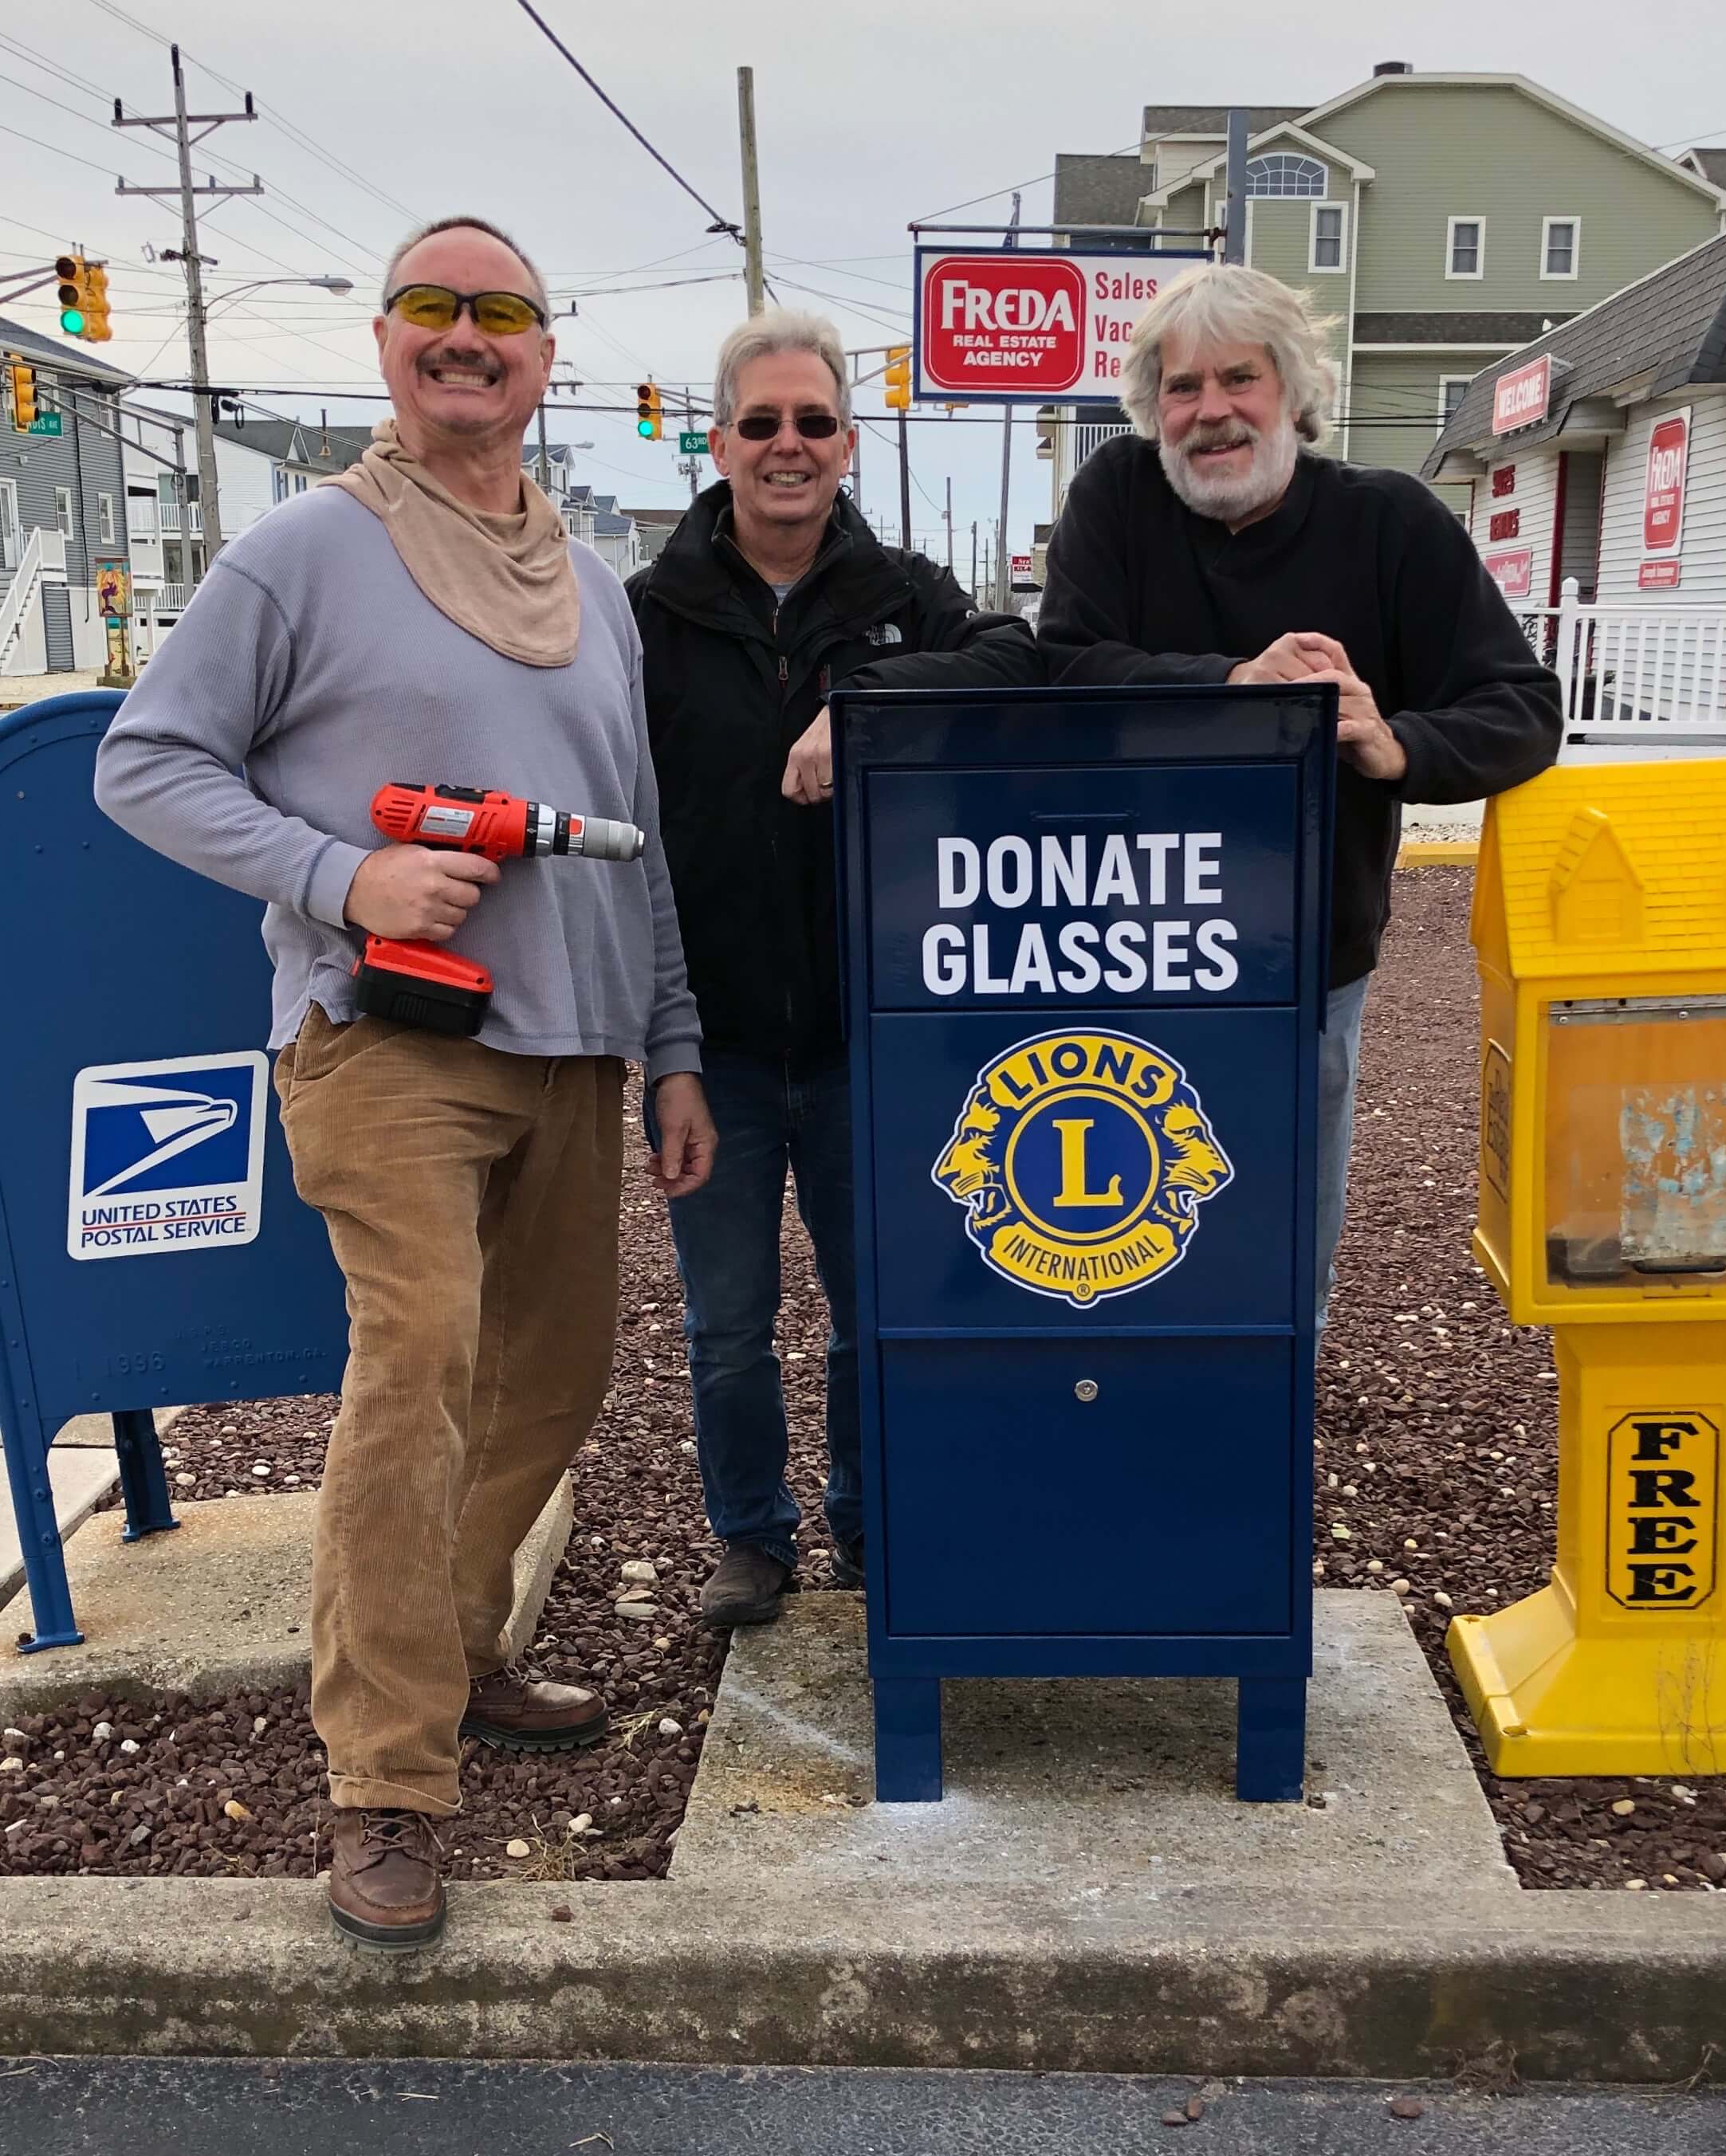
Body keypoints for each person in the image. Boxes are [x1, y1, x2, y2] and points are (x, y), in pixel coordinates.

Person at [94, 215, 714, 1953]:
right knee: (421, 1356)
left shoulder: (592, 584)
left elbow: (637, 848)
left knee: (552, 1378)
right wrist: (340, 879)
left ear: (541, 353)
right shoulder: (304, 550)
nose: (467, 337)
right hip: (386, 1048)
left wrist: (669, 1047)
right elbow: (145, 764)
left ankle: (455, 1651)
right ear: (384, 345)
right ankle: (383, 1783)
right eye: (432, 308)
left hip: (576, 1048)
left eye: (502, 312)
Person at [1037, 263, 1560, 1321]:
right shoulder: (1115, 499)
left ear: (1292, 391)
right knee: (1103, 1247)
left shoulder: (1391, 523)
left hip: (1304, 955)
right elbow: (1061, 674)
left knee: (1278, 1248)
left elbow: (1519, 710)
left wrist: (1392, 742)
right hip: (1117, 945)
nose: (1211, 411)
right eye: (1181, 388)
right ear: (1151, 409)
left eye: (1240, 378)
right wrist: (1238, 686)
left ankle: (1264, 1445)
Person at [629, 310, 1040, 1628]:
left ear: (848, 443)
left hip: (881, 1043)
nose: (787, 446)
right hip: (719, 1049)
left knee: (885, 1317)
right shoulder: (647, 617)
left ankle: (874, 1523)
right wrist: (667, 1050)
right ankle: (750, 1534)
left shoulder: (903, 597)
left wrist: (860, 707)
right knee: (727, 1325)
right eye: (762, 423)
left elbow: (1015, 659)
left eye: (812, 422)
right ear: (719, 443)